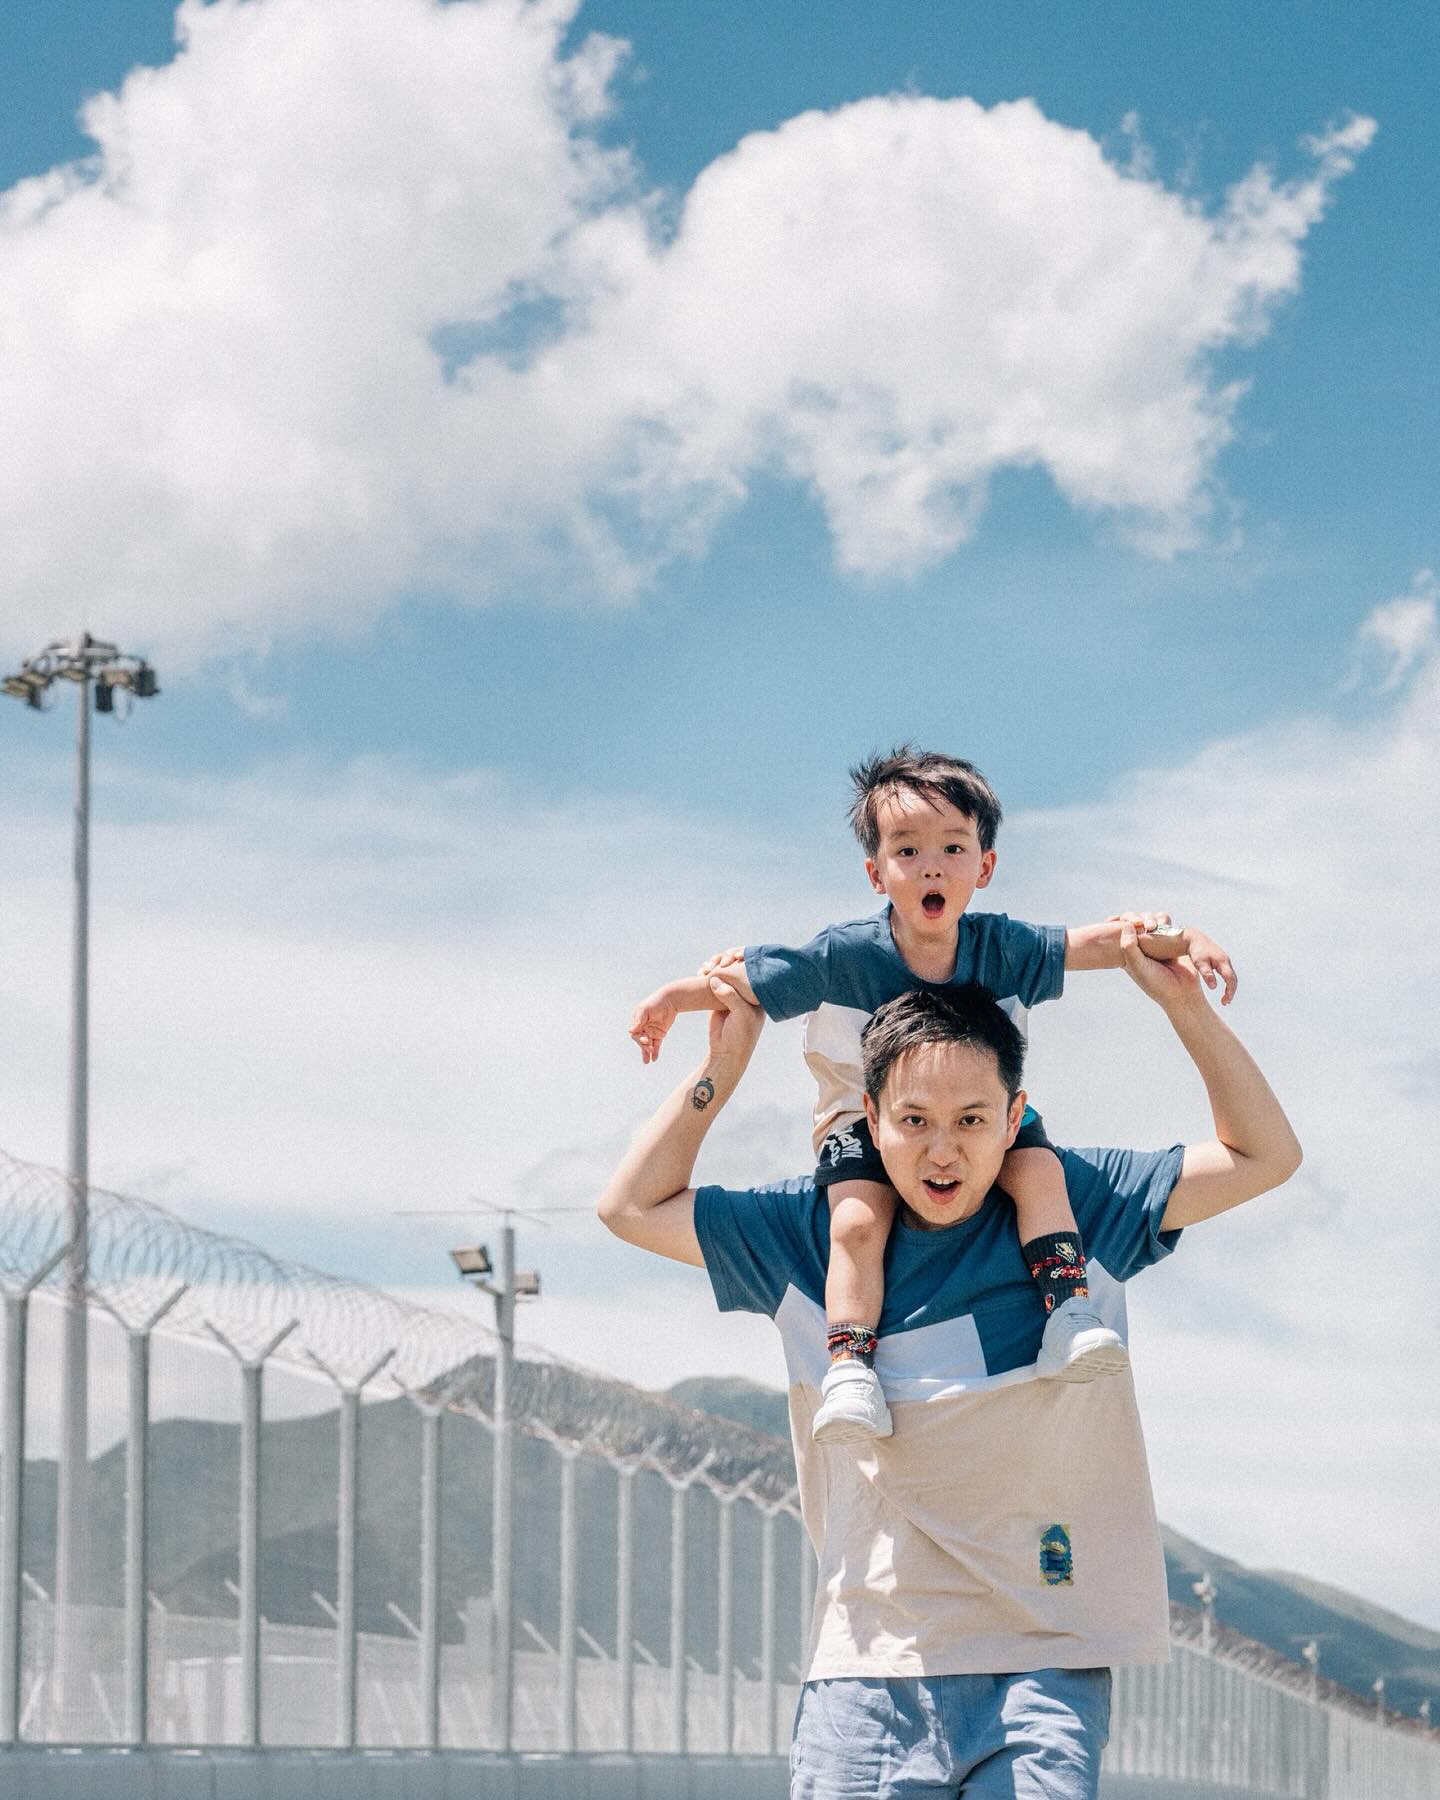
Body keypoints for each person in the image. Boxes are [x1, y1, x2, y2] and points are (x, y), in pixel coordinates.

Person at [598, 930, 1300, 1800]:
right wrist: (723, 1070)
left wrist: (1181, 1004)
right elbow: (629, 1207)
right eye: (915, 1122)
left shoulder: (1073, 1208)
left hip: (1046, 1660)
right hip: (868, 1665)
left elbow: (1265, 1155)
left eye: (973, 1122)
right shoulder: (812, 1233)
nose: (943, 1152)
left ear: (1015, 1117)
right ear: (870, 1119)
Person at [628, 747, 1237, 1443]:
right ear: (876, 872)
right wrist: (670, 999)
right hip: (864, 1119)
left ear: (985, 865)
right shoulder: (845, 955)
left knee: (1040, 1172)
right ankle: (851, 1363)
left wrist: (1185, 937)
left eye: (953, 846)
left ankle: (1068, 1313)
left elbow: (1098, 943)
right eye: (907, 850)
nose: (931, 865)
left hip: (983, 1117)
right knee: (857, 1222)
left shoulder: (1002, 946)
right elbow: (749, 980)